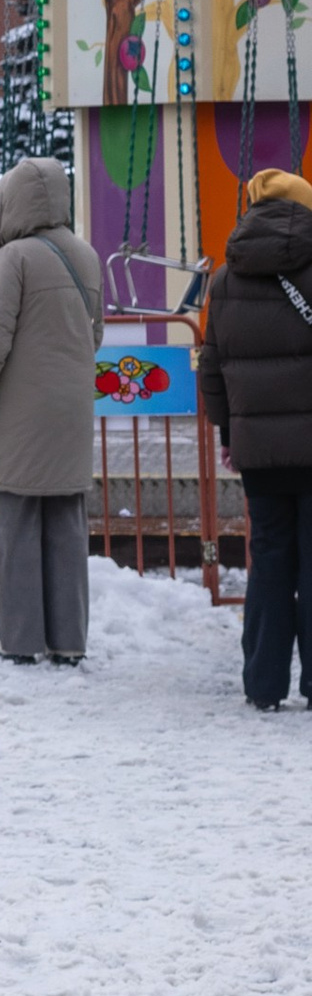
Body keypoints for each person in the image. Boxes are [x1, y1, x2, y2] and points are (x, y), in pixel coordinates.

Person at [0, 158, 101, 667]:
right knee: (66, 525)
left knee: (17, 526)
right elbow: (94, 334)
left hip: (19, 414)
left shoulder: (13, 258)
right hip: (71, 411)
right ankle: (69, 640)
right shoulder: (86, 255)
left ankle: (20, 640)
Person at [196, 168, 312, 711]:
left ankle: (264, 685)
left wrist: (228, 432)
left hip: (260, 453)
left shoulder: (225, 278)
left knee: (268, 559)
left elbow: (212, 367)